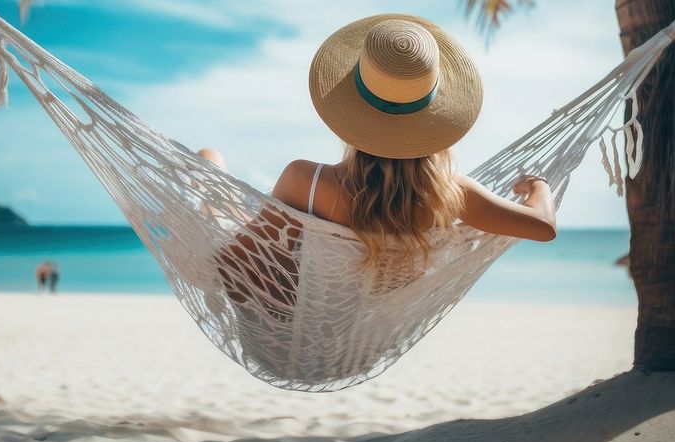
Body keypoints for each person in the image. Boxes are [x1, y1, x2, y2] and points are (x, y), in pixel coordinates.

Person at [199, 14, 555, 278]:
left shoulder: (305, 181)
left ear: (350, 113)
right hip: (353, 347)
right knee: (224, 185)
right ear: (433, 117)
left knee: (209, 163)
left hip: (287, 334)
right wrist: (537, 184)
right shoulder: (451, 195)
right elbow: (543, 225)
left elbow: (235, 267)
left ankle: (212, 182)